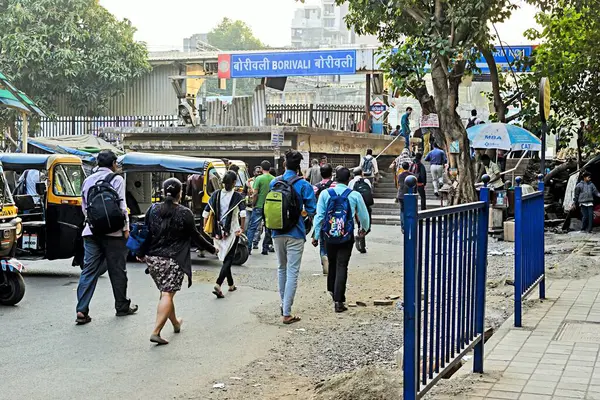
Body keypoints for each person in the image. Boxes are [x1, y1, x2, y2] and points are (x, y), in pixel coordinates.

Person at [137, 178, 213, 345]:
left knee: (166, 293)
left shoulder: (153, 209)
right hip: (174, 260)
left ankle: (175, 323)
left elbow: (148, 234)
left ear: (164, 192)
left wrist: (141, 252)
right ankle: (156, 331)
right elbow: (196, 236)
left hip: (153, 259)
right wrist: (212, 249)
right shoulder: (185, 213)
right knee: (167, 293)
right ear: (181, 193)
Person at [75, 150, 136, 325]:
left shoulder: (87, 181)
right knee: (117, 271)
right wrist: (126, 229)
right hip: (114, 234)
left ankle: (81, 310)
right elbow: (122, 206)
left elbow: (85, 208)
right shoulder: (117, 179)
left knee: (88, 271)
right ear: (114, 164)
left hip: (91, 233)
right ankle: (121, 306)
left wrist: (93, 223)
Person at [312, 167, 370, 313]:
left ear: (335, 178)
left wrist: (316, 235)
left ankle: (332, 290)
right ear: (348, 179)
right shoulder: (354, 195)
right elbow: (363, 215)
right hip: (346, 236)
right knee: (342, 265)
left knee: (332, 262)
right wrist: (364, 229)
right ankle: (339, 301)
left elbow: (319, 216)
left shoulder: (325, 194)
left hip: (329, 236)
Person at [271, 150, 317, 324]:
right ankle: (287, 312)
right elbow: (312, 209)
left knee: (281, 268)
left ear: (284, 165)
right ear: (299, 166)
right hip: (296, 233)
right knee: (292, 271)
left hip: (276, 231)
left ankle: (284, 305)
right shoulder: (303, 185)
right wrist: (302, 213)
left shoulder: (275, 182)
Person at [204, 171, 246, 298]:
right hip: (233, 231)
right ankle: (218, 284)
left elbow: (205, 213)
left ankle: (231, 284)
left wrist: (206, 227)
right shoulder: (237, 197)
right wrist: (242, 228)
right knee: (229, 258)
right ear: (234, 183)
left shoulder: (216, 195)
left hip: (217, 232)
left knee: (225, 258)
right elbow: (243, 214)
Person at [246, 160, 274, 255]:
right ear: (269, 168)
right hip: (269, 207)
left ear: (261, 169)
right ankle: (265, 248)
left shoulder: (259, 179)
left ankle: (248, 248)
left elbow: (255, 194)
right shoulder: (274, 179)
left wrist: (253, 204)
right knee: (268, 228)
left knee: (252, 227)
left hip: (259, 206)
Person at [313, 164, 337, 274]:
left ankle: (324, 258)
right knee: (334, 242)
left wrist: (315, 234)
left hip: (322, 220)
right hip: (336, 219)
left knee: (323, 243)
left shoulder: (316, 187)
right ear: (331, 173)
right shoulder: (336, 186)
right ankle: (333, 262)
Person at [349, 167, 374, 253]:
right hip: (366, 205)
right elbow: (370, 191)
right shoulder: (366, 181)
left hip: (356, 207)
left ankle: (361, 243)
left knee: (360, 224)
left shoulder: (351, 182)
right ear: (362, 173)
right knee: (367, 226)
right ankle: (361, 243)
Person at [397, 162, 414, 232]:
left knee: (402, 210)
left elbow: (398, 183)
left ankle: (403, 226)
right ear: (409, 167)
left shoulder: (400, 175)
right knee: (410, 210)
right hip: (409, 194)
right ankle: (410, 224)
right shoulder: (412, 175)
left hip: (401, 194)